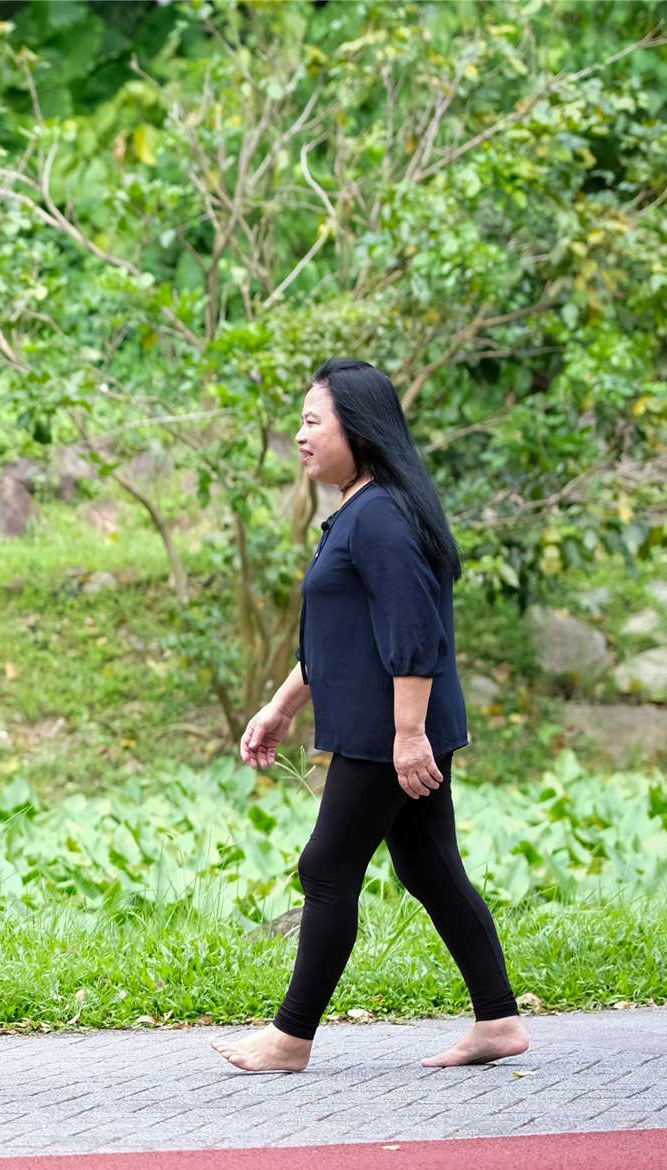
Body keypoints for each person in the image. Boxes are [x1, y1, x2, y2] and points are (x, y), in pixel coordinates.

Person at [217, 358, 529, 1074]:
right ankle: (499, 1021)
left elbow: (413, 631)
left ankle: (290, 1039)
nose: (299, 436)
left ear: (357, 428)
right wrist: (279, 706)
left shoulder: (382, 515)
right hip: (381, 727)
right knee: (430, 868)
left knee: (326, 868)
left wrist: (409, 733)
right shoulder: (361, 509)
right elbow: (339, 637)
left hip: (385, 733)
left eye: (312, 421)